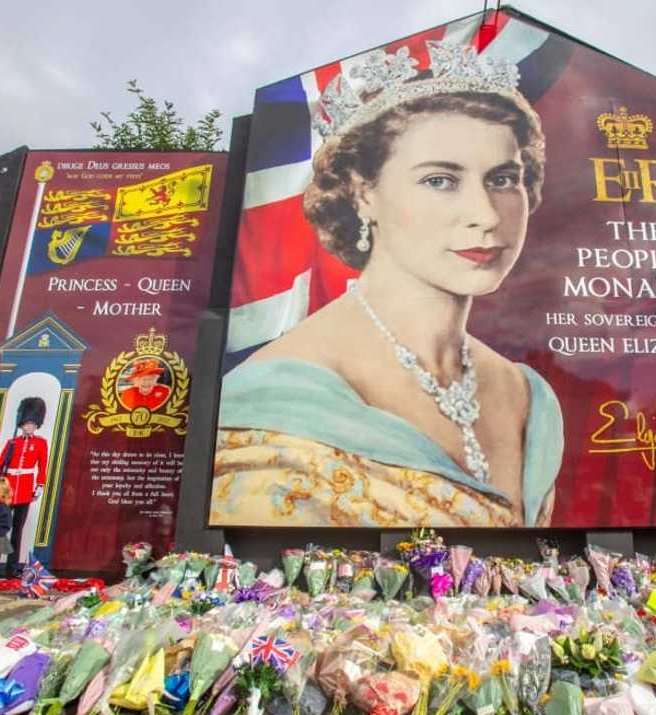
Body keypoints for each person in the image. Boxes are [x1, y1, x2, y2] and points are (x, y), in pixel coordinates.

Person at [213, 41, 563, 528]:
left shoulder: (528, 394)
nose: (485, 216)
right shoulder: (273, 400)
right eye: (440, 180)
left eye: (503, 179)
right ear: (363, 195)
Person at [0, 396, 48, 576]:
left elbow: (42, 465)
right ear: (21, 424)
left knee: (17, 531)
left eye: (32, 423)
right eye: (26, 423)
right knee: (1, 529)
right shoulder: (12, 443)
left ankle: (11, 567)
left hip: (24, 490)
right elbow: (0, 465)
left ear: (36, 424)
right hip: (8, 489)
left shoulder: (40, 443)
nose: (29, 426)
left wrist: (39, 485)